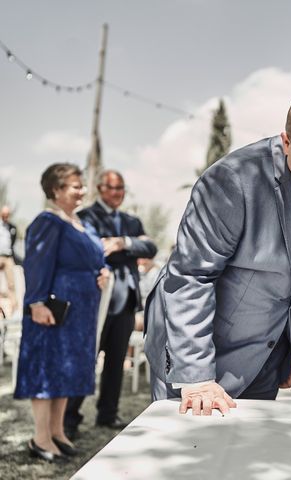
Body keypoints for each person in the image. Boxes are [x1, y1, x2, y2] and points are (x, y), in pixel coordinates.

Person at [145, 89, 291, 414]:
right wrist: (198, 375)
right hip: (199, 348)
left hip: (267, 355)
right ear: (287, 143)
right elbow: (191, 276)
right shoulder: (233, 180)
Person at [14, 163, 108, 462]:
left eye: (81, 185)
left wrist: (102, 273)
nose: (82, 190)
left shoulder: (82, 223)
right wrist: (37, 303)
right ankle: (40, 437)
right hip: (56, 308)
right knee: (48, 368)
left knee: (67, 369)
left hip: (81, 312)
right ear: (56, 190)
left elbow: (95, 258)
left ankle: (57, 431)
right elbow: (36, 264)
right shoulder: (48, 221)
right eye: (75, 186)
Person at [65, 170, 157, 434]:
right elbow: (95, 249)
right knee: (86, 360)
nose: (117, 193)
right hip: (96, 301)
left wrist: (122, 242)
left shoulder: (131, 221)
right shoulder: (85, 217)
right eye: (112, 188)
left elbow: (150, 248)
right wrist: (130, 246)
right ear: (100, 188)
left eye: (121, 189)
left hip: (126, 301)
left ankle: (108, 414)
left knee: (116, 363)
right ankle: (69, 419)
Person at [0, 205, 18, 316]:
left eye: (8, 214)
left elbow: (13, 240)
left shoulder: (12, 227)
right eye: (4, 214)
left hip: (8, 256)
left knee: (11, 283)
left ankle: (14, 309)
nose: (6, 216)